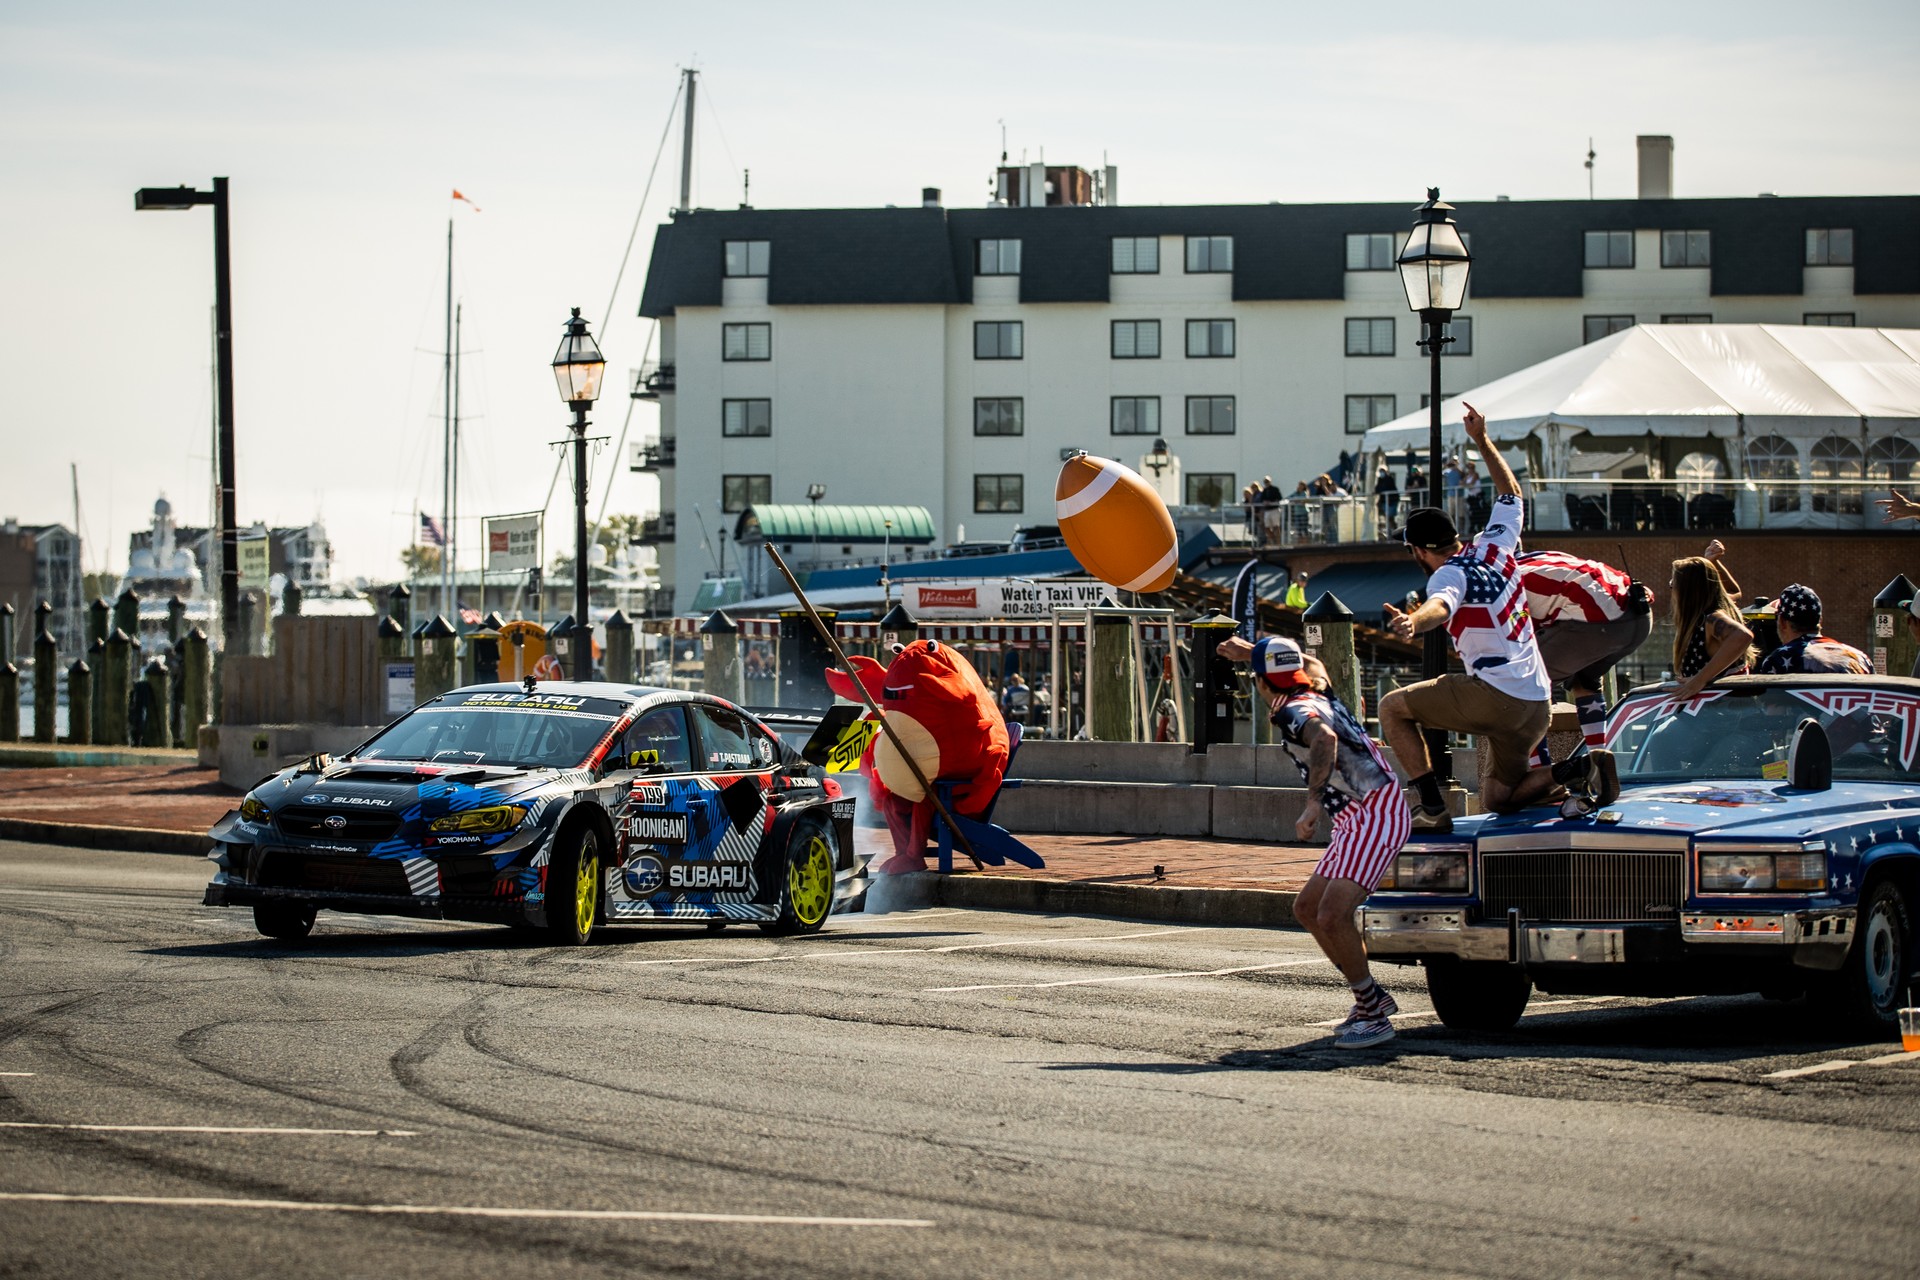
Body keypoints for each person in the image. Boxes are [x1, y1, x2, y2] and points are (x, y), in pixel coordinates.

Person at [1379, 403, 1617, 828]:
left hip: (1495, 695)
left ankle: (1431, 808)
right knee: (1498, 798)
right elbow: (1511, 493)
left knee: (1392, 707)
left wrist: (1413, 622)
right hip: (1537, 700)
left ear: (1420, 551)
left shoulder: (1445, 575)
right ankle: (1574, 769)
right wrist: (1481, 440)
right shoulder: (1496, 545)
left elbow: (1442, 606)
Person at [1215, 633, 1407, 1049]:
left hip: (1374, 814)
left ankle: (1374, 1014)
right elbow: (1310, 662)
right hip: (1362, 815)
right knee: (1306, 908)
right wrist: (1255, 652)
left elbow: (1325, 739)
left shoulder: (1293, 710)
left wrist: (1312, 805)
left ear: (1260, 683)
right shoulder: (1316, 684)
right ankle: (1370, 998)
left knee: (1333, 916)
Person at [1515, 549, 1654, 747]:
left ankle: (1540, 771)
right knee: (1584, 679)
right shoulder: (1545, 556)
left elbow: (1519, 638)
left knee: (1524, 684)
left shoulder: (1505, 577)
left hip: (1600, 621)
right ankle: (1599, 756)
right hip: (1640, 613)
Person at [1667, 541, 1754, 701]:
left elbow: (1742, 636)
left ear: (1687, 591)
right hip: (1709, 714)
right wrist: (1712, 562)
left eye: (1673, 584)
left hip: (1720, 714)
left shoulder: (1711, 618)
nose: (1672, 590)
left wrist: (1699, 680)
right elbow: (1734, 591)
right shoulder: (1708, 613)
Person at [1756, 584, 1873, 674]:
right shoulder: (1859, 658)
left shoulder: (1778, 660)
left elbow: (1767, 704)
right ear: (1820, 620)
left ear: (1782, 622)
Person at [1374, 461, 1399, 533]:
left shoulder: (1389, 479)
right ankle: (1388, 531)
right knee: (1385, 517)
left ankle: (1393, 531)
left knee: (1390, 517)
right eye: (1380, 471)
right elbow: (1378, 489)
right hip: (1384, 501)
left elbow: (1385, 488)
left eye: (1383, 471)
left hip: (1391, 501)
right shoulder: (1380, 480)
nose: (1382, 473)